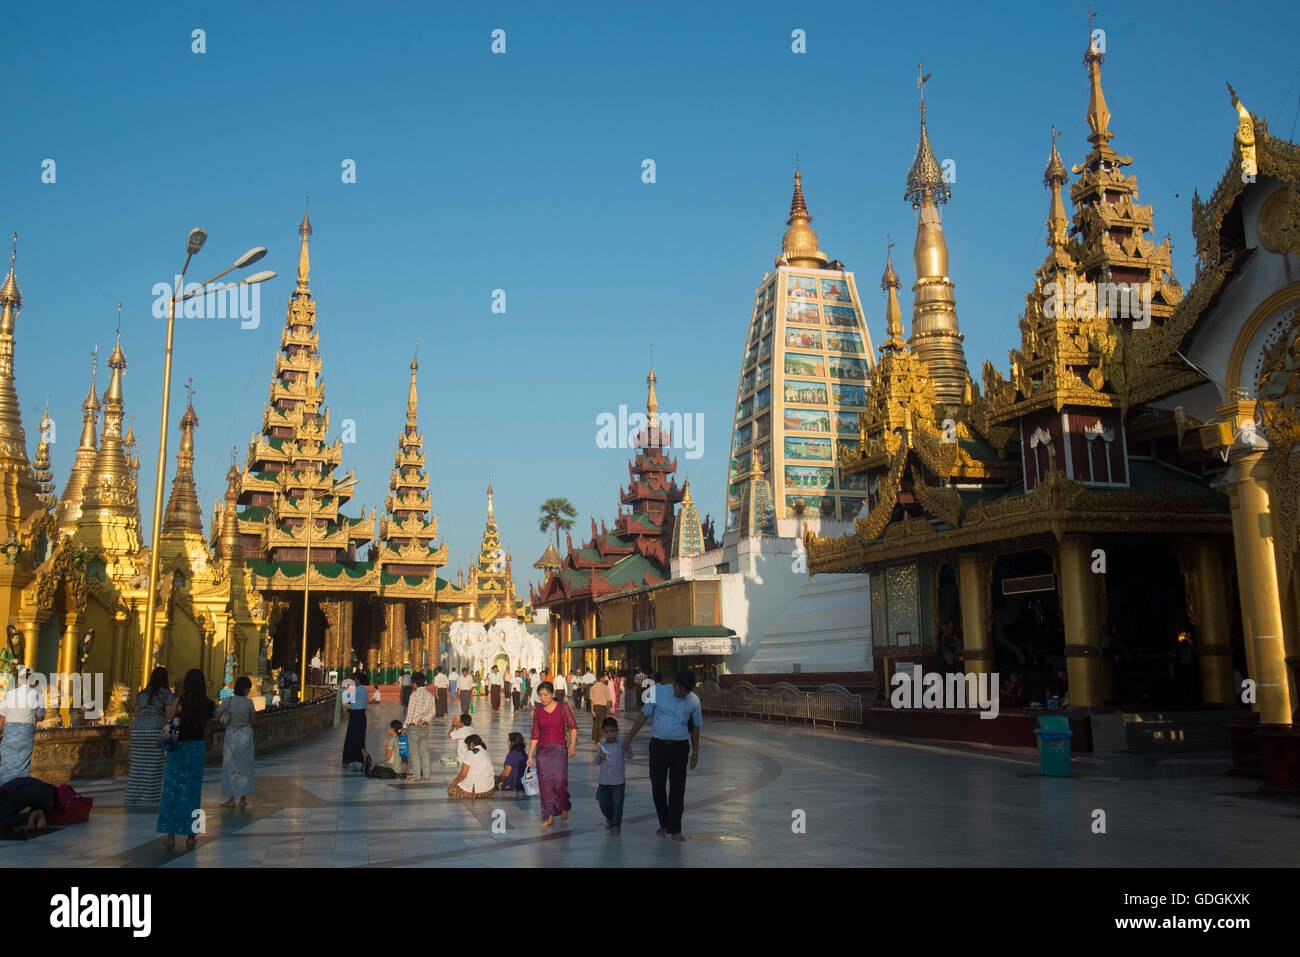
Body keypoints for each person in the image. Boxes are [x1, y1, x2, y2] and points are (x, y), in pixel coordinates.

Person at [622, 670, 701, 842]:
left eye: (687, 691)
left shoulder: (693, 701)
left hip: (680, 747)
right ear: (676, 684)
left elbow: (696, 727)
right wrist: (629, 737)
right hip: (658, 746)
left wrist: (695, 751)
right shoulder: (657, 692)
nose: (684, 694)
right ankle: (664, 822)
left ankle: (675, 829)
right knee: (657, 786)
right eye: (682, 690)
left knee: (678, 788)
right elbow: (643, 716)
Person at [157, 668, 215, 849]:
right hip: (196, 749)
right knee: (192, 793)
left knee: (172, 791)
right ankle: (191, 836)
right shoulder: (208, 704)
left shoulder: (180, 702)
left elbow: (167, 721)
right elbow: (208, 729)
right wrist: (198, 741)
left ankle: (171, 835)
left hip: (178, 749)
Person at [527, 681, 578, 827]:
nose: (542, 698)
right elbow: (535, 733)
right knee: (545, 784)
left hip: (559, 750)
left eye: (545, 695)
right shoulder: (538, 712)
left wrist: (572, 745)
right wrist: (530, 755)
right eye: (540, 695)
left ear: (553, 694)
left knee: (560, 782)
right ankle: (548, 815)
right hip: (543, 752)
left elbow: (573, 726)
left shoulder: (563, 708)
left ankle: (563, 805)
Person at [125, 666, 175, 806]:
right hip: (154, 730)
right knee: (154, 766)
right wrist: (167, 734)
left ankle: (132, 796)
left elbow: (136, 713)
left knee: (136, 765)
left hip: (138, 730)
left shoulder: (141, 694)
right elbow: (169, 715)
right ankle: (149, 797)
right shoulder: (167, 694)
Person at [0, 668, 46, 786]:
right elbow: (41, 716)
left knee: (6, 764)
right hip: (25, 734)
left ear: (19, 680)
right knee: (22, 765)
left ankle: (3, 790)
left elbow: (2, 716)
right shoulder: (36, 694)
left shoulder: (10, 694)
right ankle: (18, 790)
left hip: (9, 733)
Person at [219, 675, 256, 809]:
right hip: (245, 734)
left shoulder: (227, 701)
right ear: (246, 689)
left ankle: (231, 798)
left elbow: (218, 717)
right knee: (245, 766)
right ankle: (243, 799)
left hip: (231, 734)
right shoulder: (249, 703)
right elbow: (253, 721)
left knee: (230, 765)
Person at [594, 716, 628, 835]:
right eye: (607, 732)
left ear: (617, 731)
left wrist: (627, 747)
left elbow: (629, 755)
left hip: (618, 781)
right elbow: (596, 761)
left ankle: (616, 825)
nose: (609, 734)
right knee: (603, 802)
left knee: (617, 803)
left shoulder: (621, 744)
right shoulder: (602, 746)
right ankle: (610, 818)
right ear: (603, 733)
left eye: (612, 731)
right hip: (604, 781)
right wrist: (600, 757)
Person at [403, 672, 436, 782]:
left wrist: (404, 726)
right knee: (424, 751)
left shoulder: (414, 695)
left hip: (413, 727)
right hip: (424, 726)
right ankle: (426, 775)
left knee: (414, 751)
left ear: (415, 683)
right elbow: (433, 712)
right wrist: (424, 719)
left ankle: (416, 775)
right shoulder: (430, 696)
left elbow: (410, 713)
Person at [447, 733, 495, 799]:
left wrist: (455, 781)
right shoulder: (484, 751)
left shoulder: (471, 752)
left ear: (471, 744)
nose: (466, 747)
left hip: (478, 791)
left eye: (467, 745)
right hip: (489, 790)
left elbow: (463, 774)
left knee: (451, 789)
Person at [342, 671, 370, 772]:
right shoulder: (365, 691)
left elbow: (346, 698)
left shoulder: (358, 690)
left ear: (358, 680)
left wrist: (345, 688)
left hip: (355, 716)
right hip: (362, 716)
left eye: (355, 679)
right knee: (360, 738)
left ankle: (350, 759)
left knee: (351, 738)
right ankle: (361, 759)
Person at [588, 671, 611, 743]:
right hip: (603, 707)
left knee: (595, 723)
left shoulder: (592, 688)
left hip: (595, 707)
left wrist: (592, 710)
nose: (605, 679)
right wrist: (609, 708)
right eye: (604, 678)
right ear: (601, 679)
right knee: (601, 723)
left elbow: (591, 700)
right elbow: (608, 700)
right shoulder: (606, 688)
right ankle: (599, 740)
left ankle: (595, 739)